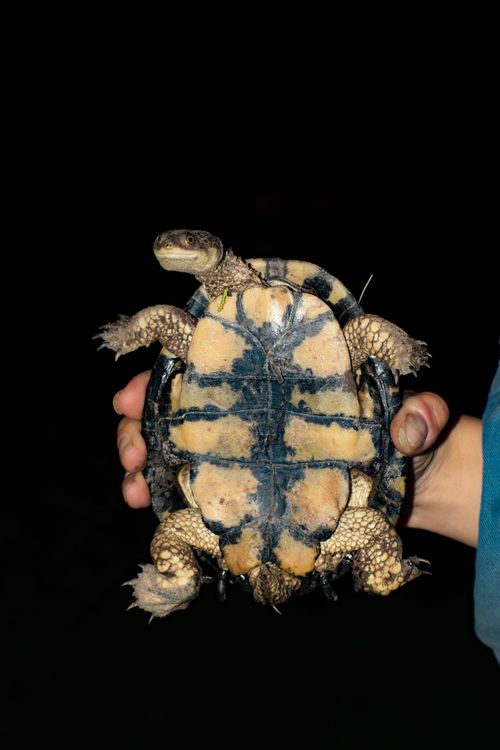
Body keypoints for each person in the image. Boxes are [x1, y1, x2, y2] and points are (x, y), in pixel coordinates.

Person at [112, 369, 499, 662]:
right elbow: (374, 526)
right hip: (320, 369)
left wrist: (174, 580)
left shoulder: (209, 529)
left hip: (218, 373)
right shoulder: (337, 529)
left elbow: (173, 525)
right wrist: (436, 472)